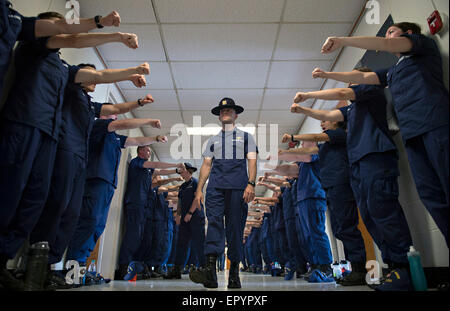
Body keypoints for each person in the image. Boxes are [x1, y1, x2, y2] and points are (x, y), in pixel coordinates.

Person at [0, 12, 142, 291]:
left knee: (35, 199)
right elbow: (75, 38)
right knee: (11, 190)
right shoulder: (35, 45)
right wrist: (111, 31)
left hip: (50, 137)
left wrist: (135, 90)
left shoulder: (62, 69)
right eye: (59, 26)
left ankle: (21, 263)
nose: (64, 33)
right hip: (24, 122)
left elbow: (104, 84)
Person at [318, 22, 449, 246]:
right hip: (412, 136)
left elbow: (385, 44)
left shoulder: (422, 46)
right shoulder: (392, 71)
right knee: (431, 196)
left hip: (435, 124)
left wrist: (342, 41)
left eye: (391, 30)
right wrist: (327, 73)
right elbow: (363, 79)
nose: (388, 35)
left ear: (408, 34)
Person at [290, 72, 414, 290]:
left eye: (354, 83)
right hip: (359, 166)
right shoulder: (351, 111)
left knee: (385, 213)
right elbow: (326, 113)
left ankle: (403, 268)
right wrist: (304, 110)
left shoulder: (372, 94)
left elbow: (339, 96)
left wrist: (309, 94)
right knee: (371, 216)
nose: (351, 89)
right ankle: (391, 267)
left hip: (376, 157)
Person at [65, 111, 170, 285]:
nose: (116, 118)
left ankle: (80, 271)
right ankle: (71, 272)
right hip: (95, 180)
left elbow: (137, 141)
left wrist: (155, 138)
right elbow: (125, 127)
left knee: (98, 226)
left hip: (108, 185)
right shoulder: (99, 126)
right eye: (112, 114)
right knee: (88, 222)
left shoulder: (116, 139)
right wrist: (150, 121)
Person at [280, 118, 367, 285]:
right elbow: (292, 168)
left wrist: (285, 149)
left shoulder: (314, 153)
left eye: (304, 142)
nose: (322, 124)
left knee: (319, 232)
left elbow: (303, 157)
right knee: (316, 234)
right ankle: (318, 265)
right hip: (314, 195)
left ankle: (328, 267)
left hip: (316, 195)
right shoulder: (308, 159)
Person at [189, 98, 258, 289]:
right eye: (222, 111)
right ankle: (210, 271)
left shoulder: (246, 137)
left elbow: (252, 161)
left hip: (238, 188)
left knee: (235, 229)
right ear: (219, 117)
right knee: (214, 224)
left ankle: (234, 271)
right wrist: (198, 190)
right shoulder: (212, 140)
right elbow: (206, 165)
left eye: (229, 110)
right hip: (215, 188)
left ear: (236, 115)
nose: (225, 112)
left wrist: (251, 183)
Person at [0, 3, 121, 98]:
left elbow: (99, 76)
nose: (60, 34)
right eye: (54, 29)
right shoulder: (34, 42)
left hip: (44, 124)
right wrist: (104, 26)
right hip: (25, 119)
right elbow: (72, 38)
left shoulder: (60, 65)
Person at [117, 145, 185, 278]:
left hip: (143, 207)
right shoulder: (137, 163)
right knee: (133, 236)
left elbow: (160, 175)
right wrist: (175, 167)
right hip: (136, 203)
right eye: (147, 150)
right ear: (140, 151)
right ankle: (124, 266)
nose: (149, 152)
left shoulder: (148, 172)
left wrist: (176, 175)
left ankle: (135, 267)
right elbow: (158, 169)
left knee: (142, 239)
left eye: (149, 150)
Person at [164, 163, 206, 279]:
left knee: (199, 243)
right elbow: (180, 202)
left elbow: (197, 199)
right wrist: (178, 215)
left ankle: (204, 268)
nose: (180, 172)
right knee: (181, 244)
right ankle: (177, 270)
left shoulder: (196, 183)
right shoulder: (182, 186)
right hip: (185, 219)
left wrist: (190, 213)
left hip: (196, 217)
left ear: (188, 171)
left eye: (182, 170)